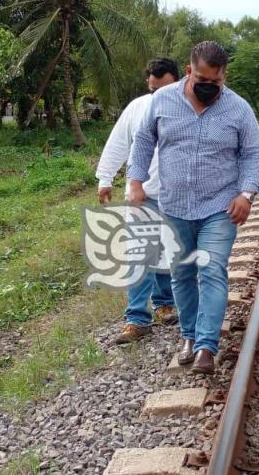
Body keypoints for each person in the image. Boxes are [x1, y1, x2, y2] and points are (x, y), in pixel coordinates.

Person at [127, 41, 259, 374]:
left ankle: (206, 345)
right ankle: (188, 336)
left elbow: (251, 155)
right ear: (189, 71)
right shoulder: (162, 100)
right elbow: (145, 141)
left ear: (223, 76)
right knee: (182, 274)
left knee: (212, 269)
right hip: (173, 205)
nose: (209, 86)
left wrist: (246, 194)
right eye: (202, 78)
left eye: (215, 82)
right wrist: (135, 181)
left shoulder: (239, 109)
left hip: (220, 206)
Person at [95, 58, 180, 344]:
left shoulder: (189, 107)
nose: (159, 95)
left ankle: (165, 302)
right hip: (141, 194)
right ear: (149, 85)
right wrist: (105, 178)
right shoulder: (137, 108)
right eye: (154, 89)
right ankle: (136, 318)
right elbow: (118, 142)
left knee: (167, 253)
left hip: (178, 197)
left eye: (165, 88)